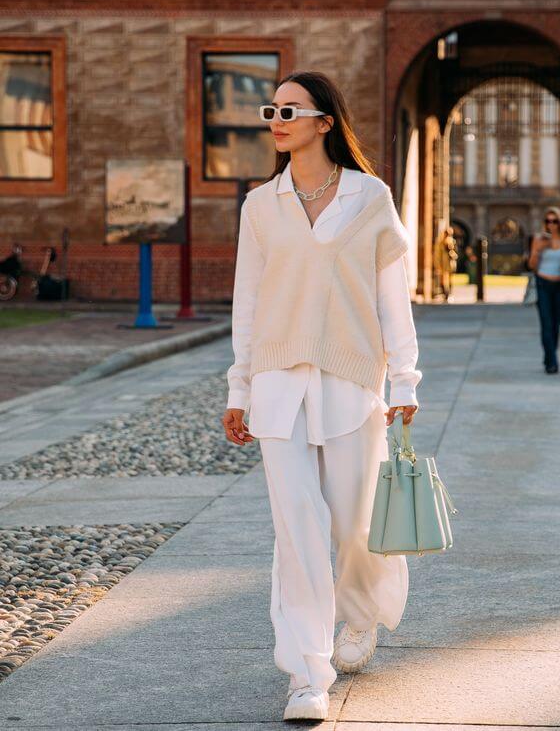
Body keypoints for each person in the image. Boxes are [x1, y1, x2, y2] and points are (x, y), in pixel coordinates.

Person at [222, 71, 422, 721]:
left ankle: (361, 616)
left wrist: (405, 381)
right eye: (270, 109)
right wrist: (239, 386)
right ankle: (307, 672)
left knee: (353, 524)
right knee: (297, 530)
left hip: (351, 381)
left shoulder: (370, 198)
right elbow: (246, 305)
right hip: (278, 385)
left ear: (324, 122)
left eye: (290, 108)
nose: (275, 118)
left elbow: (394, 300)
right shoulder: (260, 206)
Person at [527, 206, 560, 374]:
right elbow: (532, 265)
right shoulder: (538, 239)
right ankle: (552, 363)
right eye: (548, 221)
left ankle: (549, 355)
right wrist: (538, 250)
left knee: (556, 325)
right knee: (547, 324)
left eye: (554, 221)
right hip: (543, 284)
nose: (551, 225)